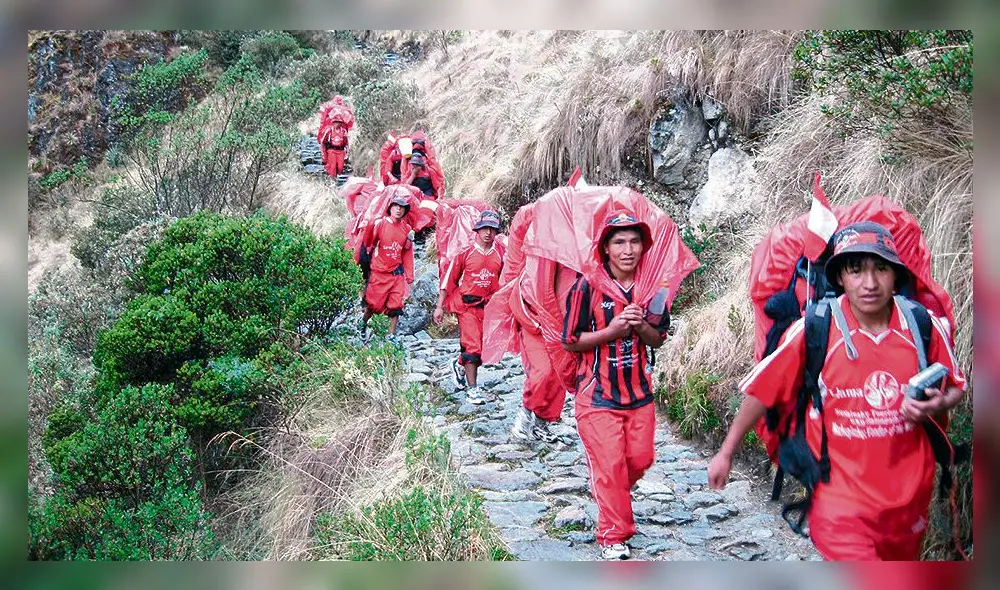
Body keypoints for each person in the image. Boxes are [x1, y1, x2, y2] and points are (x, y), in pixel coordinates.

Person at [707, 221, 967, 561]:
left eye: (881, 269)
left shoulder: (922, 326)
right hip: (840, 504)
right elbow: (762, 390)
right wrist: (727, 451)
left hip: (908, 503)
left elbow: (955, 388)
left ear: (896, 274)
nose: (870, 283)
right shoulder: (816, 329)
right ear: (840, 277)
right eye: (856, 270)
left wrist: (937, 403)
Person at [561, 210, 670, 561]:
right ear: (605, 248)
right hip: (597, 395)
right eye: (619, 241)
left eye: (635, 241)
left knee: (640, 459)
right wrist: (612, 331)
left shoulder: (654, 287)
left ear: (644, 245)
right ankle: (614, 535)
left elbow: (658, 340)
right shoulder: (586, 287)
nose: (628, 249)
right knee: (609, 466)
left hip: (638, 393)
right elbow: (570, 340)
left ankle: (613, 500)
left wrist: (639, 327)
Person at [434, 210, 505, 405]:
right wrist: (440, 306)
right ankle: (473, 390)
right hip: (466, 307)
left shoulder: (500, 253)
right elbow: (448, 281)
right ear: (477, 230)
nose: (488, 233)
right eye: (484, 228)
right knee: (472, 346)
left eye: (492, 229)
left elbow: (506, 280)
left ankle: (458, 365)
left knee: (482, 349)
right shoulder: (465, 253)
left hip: (488, 309)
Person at [360, 193, 415, 339]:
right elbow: (368, 244)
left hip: (396, 273)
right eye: (396, 206)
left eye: (402, 208)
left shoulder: (406, 228)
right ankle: (363, 324)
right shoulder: (380, 224)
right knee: (373, 305)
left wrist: (409, 275)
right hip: (379, 272)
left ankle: (390, 336)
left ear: (405, 211)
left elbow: (407, 251)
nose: (399, 210)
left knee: (396, 306)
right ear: (390, 208)